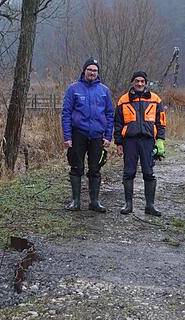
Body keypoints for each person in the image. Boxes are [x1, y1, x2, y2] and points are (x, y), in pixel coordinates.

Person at [61, 58, 115, 213]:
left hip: (98, 135)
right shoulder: (73, 89)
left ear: (98, 73)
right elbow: (66, 113)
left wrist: (108, 136)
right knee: (76, 167)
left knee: (95, 168)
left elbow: (110, 114)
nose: (92, 72)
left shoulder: (104, 90)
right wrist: (67, 136)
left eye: (95, 70)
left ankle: (94, 201)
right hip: (78, 134)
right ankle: (75, 201)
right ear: (84, 71)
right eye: (90, 69)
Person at [114, 71, 166, 216]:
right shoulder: (123, 100)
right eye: (137, 81)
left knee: (149, 173)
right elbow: (117, 123)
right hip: (129, 141)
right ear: (132, 82)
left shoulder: (155, 99)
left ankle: (150, 205)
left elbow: (160, 122)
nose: (139, 84)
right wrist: (118, 143)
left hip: (148, 141)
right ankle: (128, 204)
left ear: (146, 82)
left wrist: (160, 140)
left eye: (142, 81)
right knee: (129, 173)